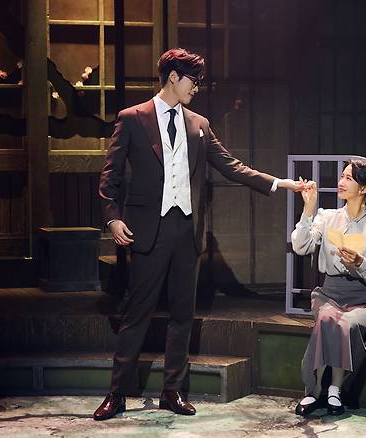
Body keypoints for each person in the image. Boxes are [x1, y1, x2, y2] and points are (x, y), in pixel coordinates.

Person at [94, 48, 302, 421]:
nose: (197, 88)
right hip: (149, 229)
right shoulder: (132, 118)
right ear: (173, 77)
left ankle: (172, 391)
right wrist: (112, 219)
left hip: (186, 230)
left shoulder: (199, 124)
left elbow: (231, 165)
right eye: (193, 80)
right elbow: (109, 178)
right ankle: (117, 393)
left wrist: (278, 183)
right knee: (137, 312)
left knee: (182, 314)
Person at [291, 159, 366, 416]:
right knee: (327, 318)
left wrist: (360, 262)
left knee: (345, 323)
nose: (341, 182)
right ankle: (315, 390)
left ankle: (335, 389)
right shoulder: (327, 217)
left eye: (349, 178)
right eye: (342, 176)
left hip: (363, 299)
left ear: (364, 188)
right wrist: (308, 210)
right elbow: (301, 247)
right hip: (330, 294)